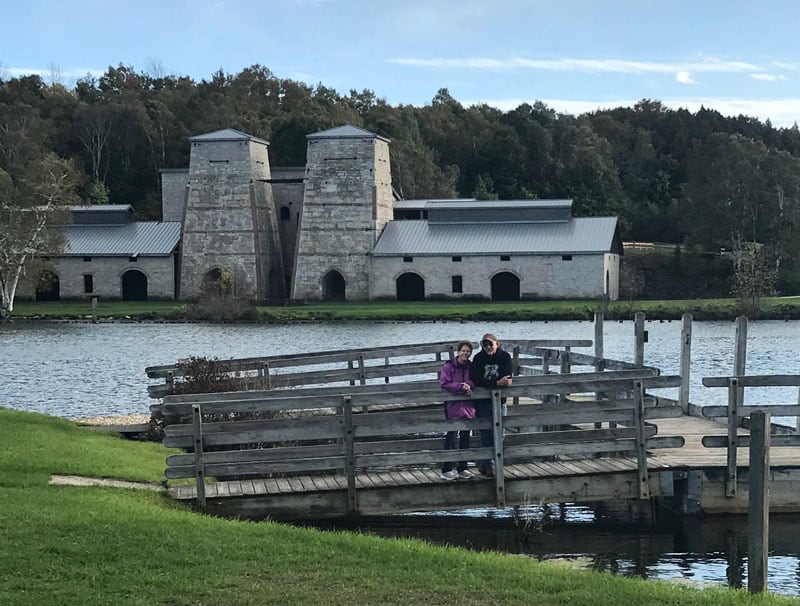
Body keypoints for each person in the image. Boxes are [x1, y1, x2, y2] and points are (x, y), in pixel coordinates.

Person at [469, 333, 513, 477]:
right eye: (484, 344)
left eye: (490, 344)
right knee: (485, 433)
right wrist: (495, 383)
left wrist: (500, 383)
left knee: (500, 433)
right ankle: (489, 465)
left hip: (500, 401)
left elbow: (507, 378)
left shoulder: (505, 357)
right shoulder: (478, 358)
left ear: (497, 344)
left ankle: (491, 462)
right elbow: (476, 379)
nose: (487, 347)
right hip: (482, 402)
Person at [439, 340, 476, 481]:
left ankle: (463, 467)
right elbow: (444, 383)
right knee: (451, 437)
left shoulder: (471, 367)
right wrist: (461, 387)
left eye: (468, 351)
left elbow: (475, 380)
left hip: (467, 405)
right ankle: (446, 469)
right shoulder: (449, 366)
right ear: (458, 352)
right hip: (453, 406)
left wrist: (469, 385)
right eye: (463, 351)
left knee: (466, 436)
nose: (465, 353)